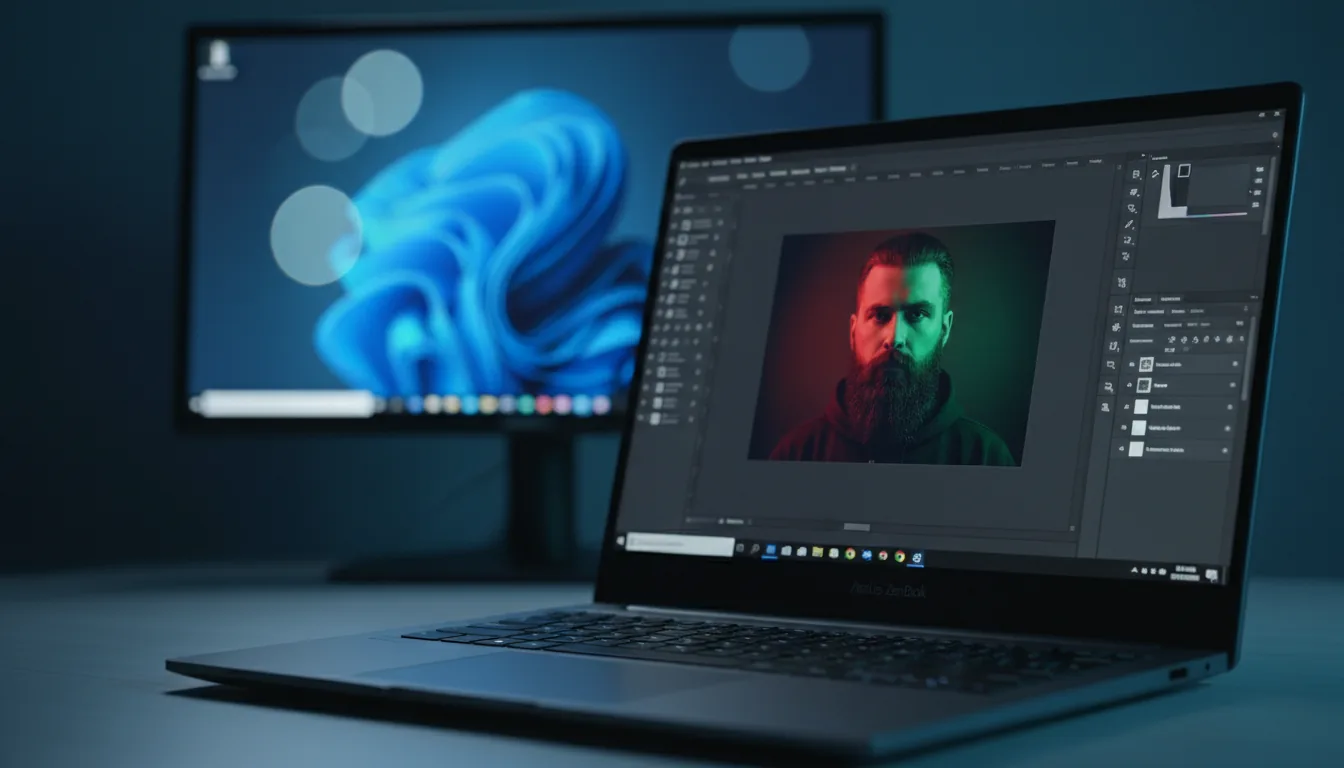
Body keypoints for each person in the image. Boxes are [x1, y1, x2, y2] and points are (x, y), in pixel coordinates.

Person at [769, 232, 1015, 466]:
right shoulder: (796, 453)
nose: (894, 337)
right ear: (853, 331)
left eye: (917, 314)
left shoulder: (985, 457)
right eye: (880, 315)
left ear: (945, 329)